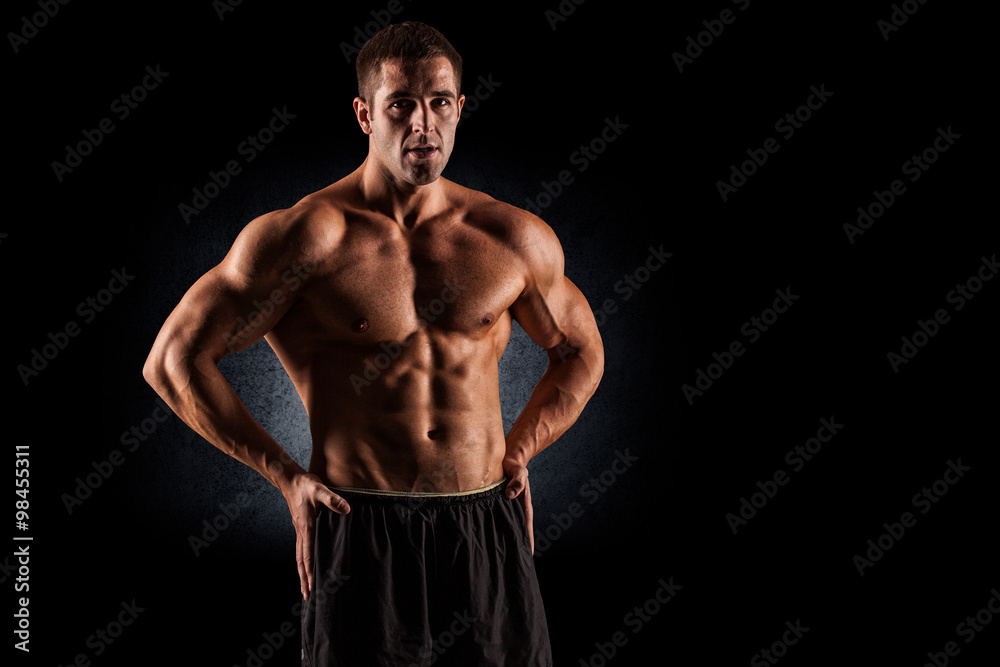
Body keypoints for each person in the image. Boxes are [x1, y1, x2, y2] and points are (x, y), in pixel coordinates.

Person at [143, 21, 603, 666]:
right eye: (400, 105)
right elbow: (172, 361)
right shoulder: (305, 239)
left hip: (485, 520)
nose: (424, 124)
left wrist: (522, 446)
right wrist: (284, 478)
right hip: (360, 528)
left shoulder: (510, 238)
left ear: (461, 106)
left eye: (440, 102)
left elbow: (580, 350)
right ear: (364, 114)